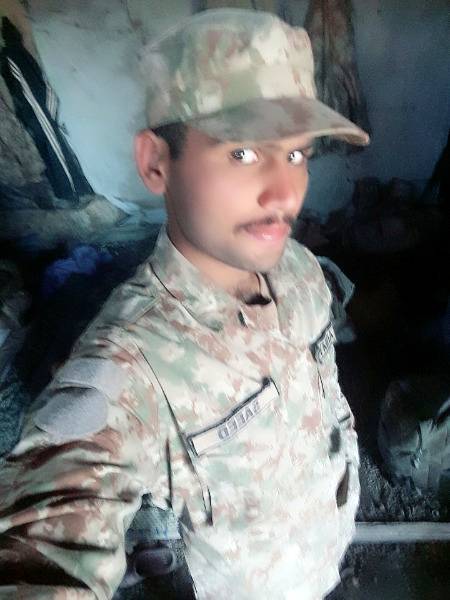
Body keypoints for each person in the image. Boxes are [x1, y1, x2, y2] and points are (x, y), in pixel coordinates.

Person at [0, 8, 369, 600]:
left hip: (325, 557)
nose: (285, 192)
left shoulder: (300, 269)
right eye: (243, 153)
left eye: (297, 154)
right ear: (155, 162)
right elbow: (47, 535)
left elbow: (328, 392)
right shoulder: (130, 363)